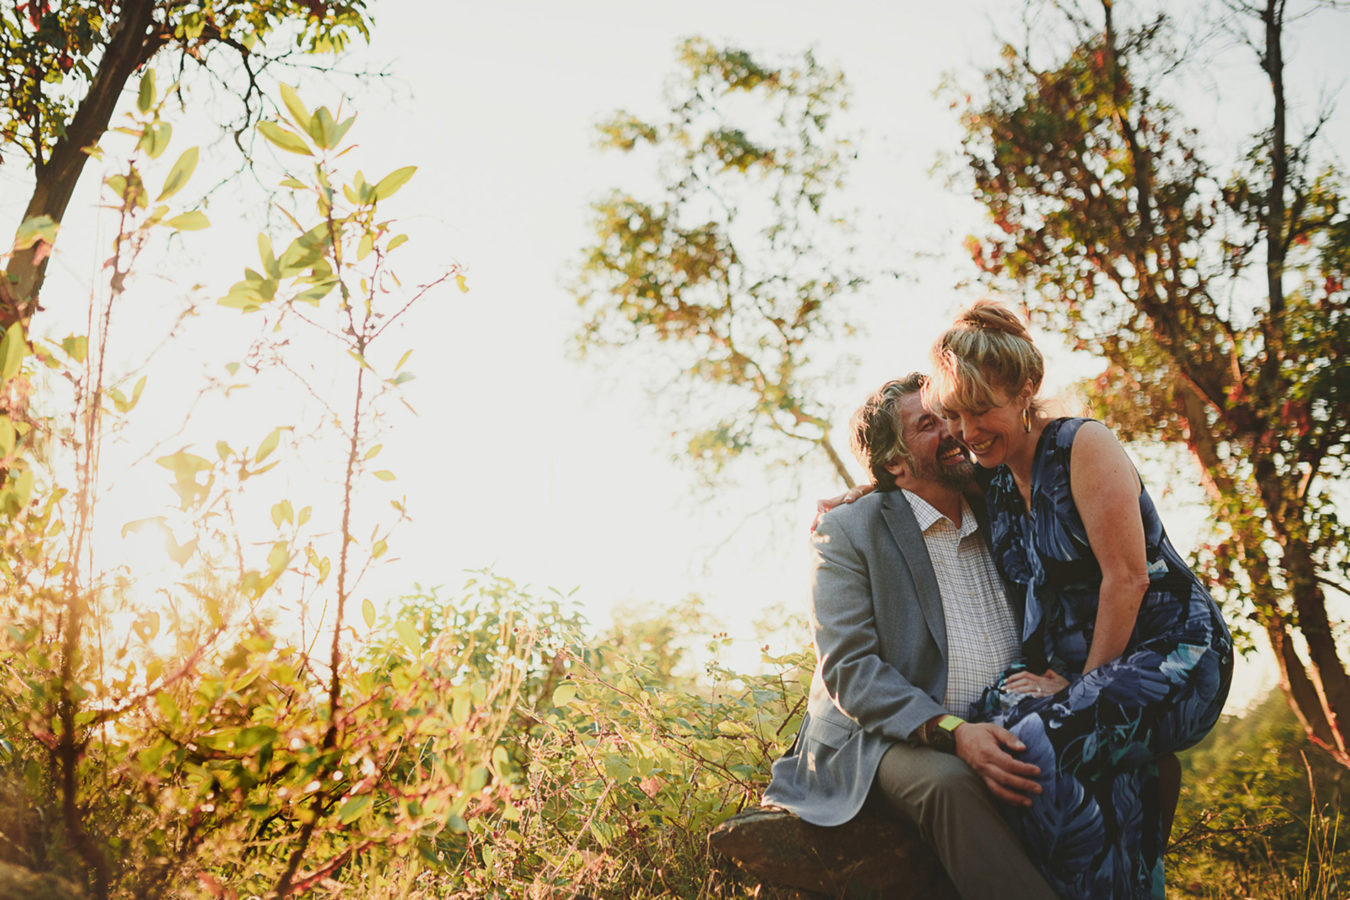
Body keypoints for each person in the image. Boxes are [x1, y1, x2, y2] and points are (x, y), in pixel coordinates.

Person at [923, 300, 1233, 899]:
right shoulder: (993, 477)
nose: (967, 431)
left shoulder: (1082, 445)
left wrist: (1083, 685)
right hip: (1076, 671)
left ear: (1025, 390)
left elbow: (1128, 579)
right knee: (998, 728)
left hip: (1173, 653)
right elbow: (919, 475)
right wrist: (857, 498)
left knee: (1040, 748)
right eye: (957, 414)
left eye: (981, 410)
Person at [763, 374, 1058, 900]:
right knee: (948, 784)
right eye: (929, 423)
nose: (953, 428)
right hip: (880, 739)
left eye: (949, 414)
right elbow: (850, 671)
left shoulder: (999, 505)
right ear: (894, 463)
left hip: (1000, 718)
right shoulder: (847, 531)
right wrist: (952, 731)